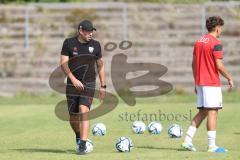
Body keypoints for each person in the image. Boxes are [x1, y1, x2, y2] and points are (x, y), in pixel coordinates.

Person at [181, 16, 234, 153]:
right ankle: (212, 146)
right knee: (212, 112)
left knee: (203, 112)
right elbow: (219, 66)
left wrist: (195, 82)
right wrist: (229, 77)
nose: (221, 30)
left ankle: (187, 141)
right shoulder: (216, 43)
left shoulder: (198, 41)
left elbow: (193, 64)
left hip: (200, 82)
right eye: (220, 28)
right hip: (211, 83)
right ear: (217, 28)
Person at [60, 20, 106, 154]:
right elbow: (63, 63)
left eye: (92, 31)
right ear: (80, 31)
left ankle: (83, 145)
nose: (90, 33)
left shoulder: (96, 45)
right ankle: (79, 136)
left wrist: (103, 86)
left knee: (84, 111)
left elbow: (101, 66)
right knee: (73, 117)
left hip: (89, 84)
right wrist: (73, 79)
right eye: (87, 31)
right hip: (72, 84)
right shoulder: (69, 43)